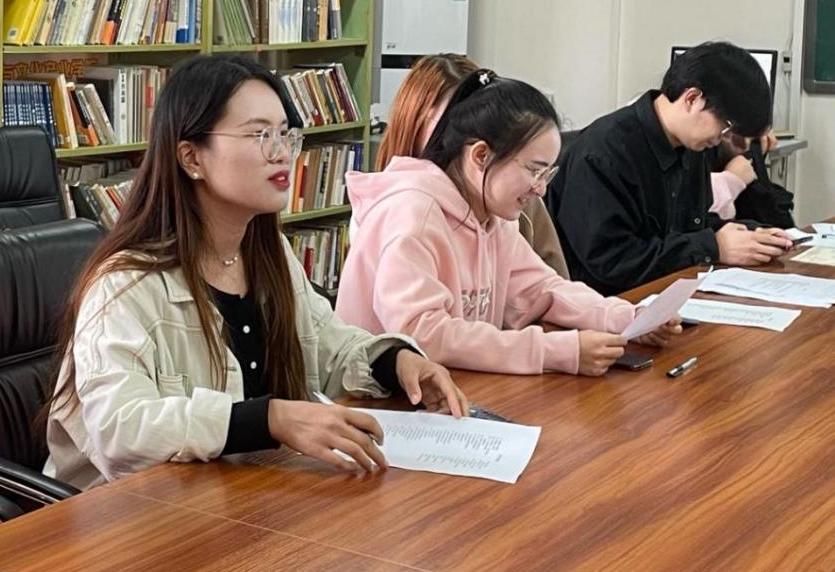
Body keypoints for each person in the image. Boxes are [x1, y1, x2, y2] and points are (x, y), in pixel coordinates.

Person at [44, 54, 469, 490]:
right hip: (133, 513)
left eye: (285, 134)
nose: (281, 153)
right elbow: (120, 429)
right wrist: (269, 418)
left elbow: (329, 346)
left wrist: (396, 361)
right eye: (259, 135)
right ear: (191, 158)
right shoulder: (124, 285)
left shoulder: (268, 254)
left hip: (238, 495)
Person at [337, 70, 680, 376]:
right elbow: (423, 335)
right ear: (481, 155)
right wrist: (550, 351)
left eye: (547, 173)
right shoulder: (412, 214)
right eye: (533, 170)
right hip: (378, 402)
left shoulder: (494, 217)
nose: (541, 188)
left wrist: (626, 317)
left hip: (446, 391)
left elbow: (542, 290)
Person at [546, 41, 793, 296]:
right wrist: (713, 247)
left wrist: (746, 234)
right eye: (726, 126)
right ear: (692, 99)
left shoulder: (690, 145)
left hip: (667, 292)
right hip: (608, 302)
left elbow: (686, 226)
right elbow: (612, 260)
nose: (722, 138)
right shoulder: (604, 152)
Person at [376, 53, 569, 277]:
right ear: (413, 123)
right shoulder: (402, 211)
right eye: (449, 123)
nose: (462, 134)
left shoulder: (515, 203)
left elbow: (546, 284)